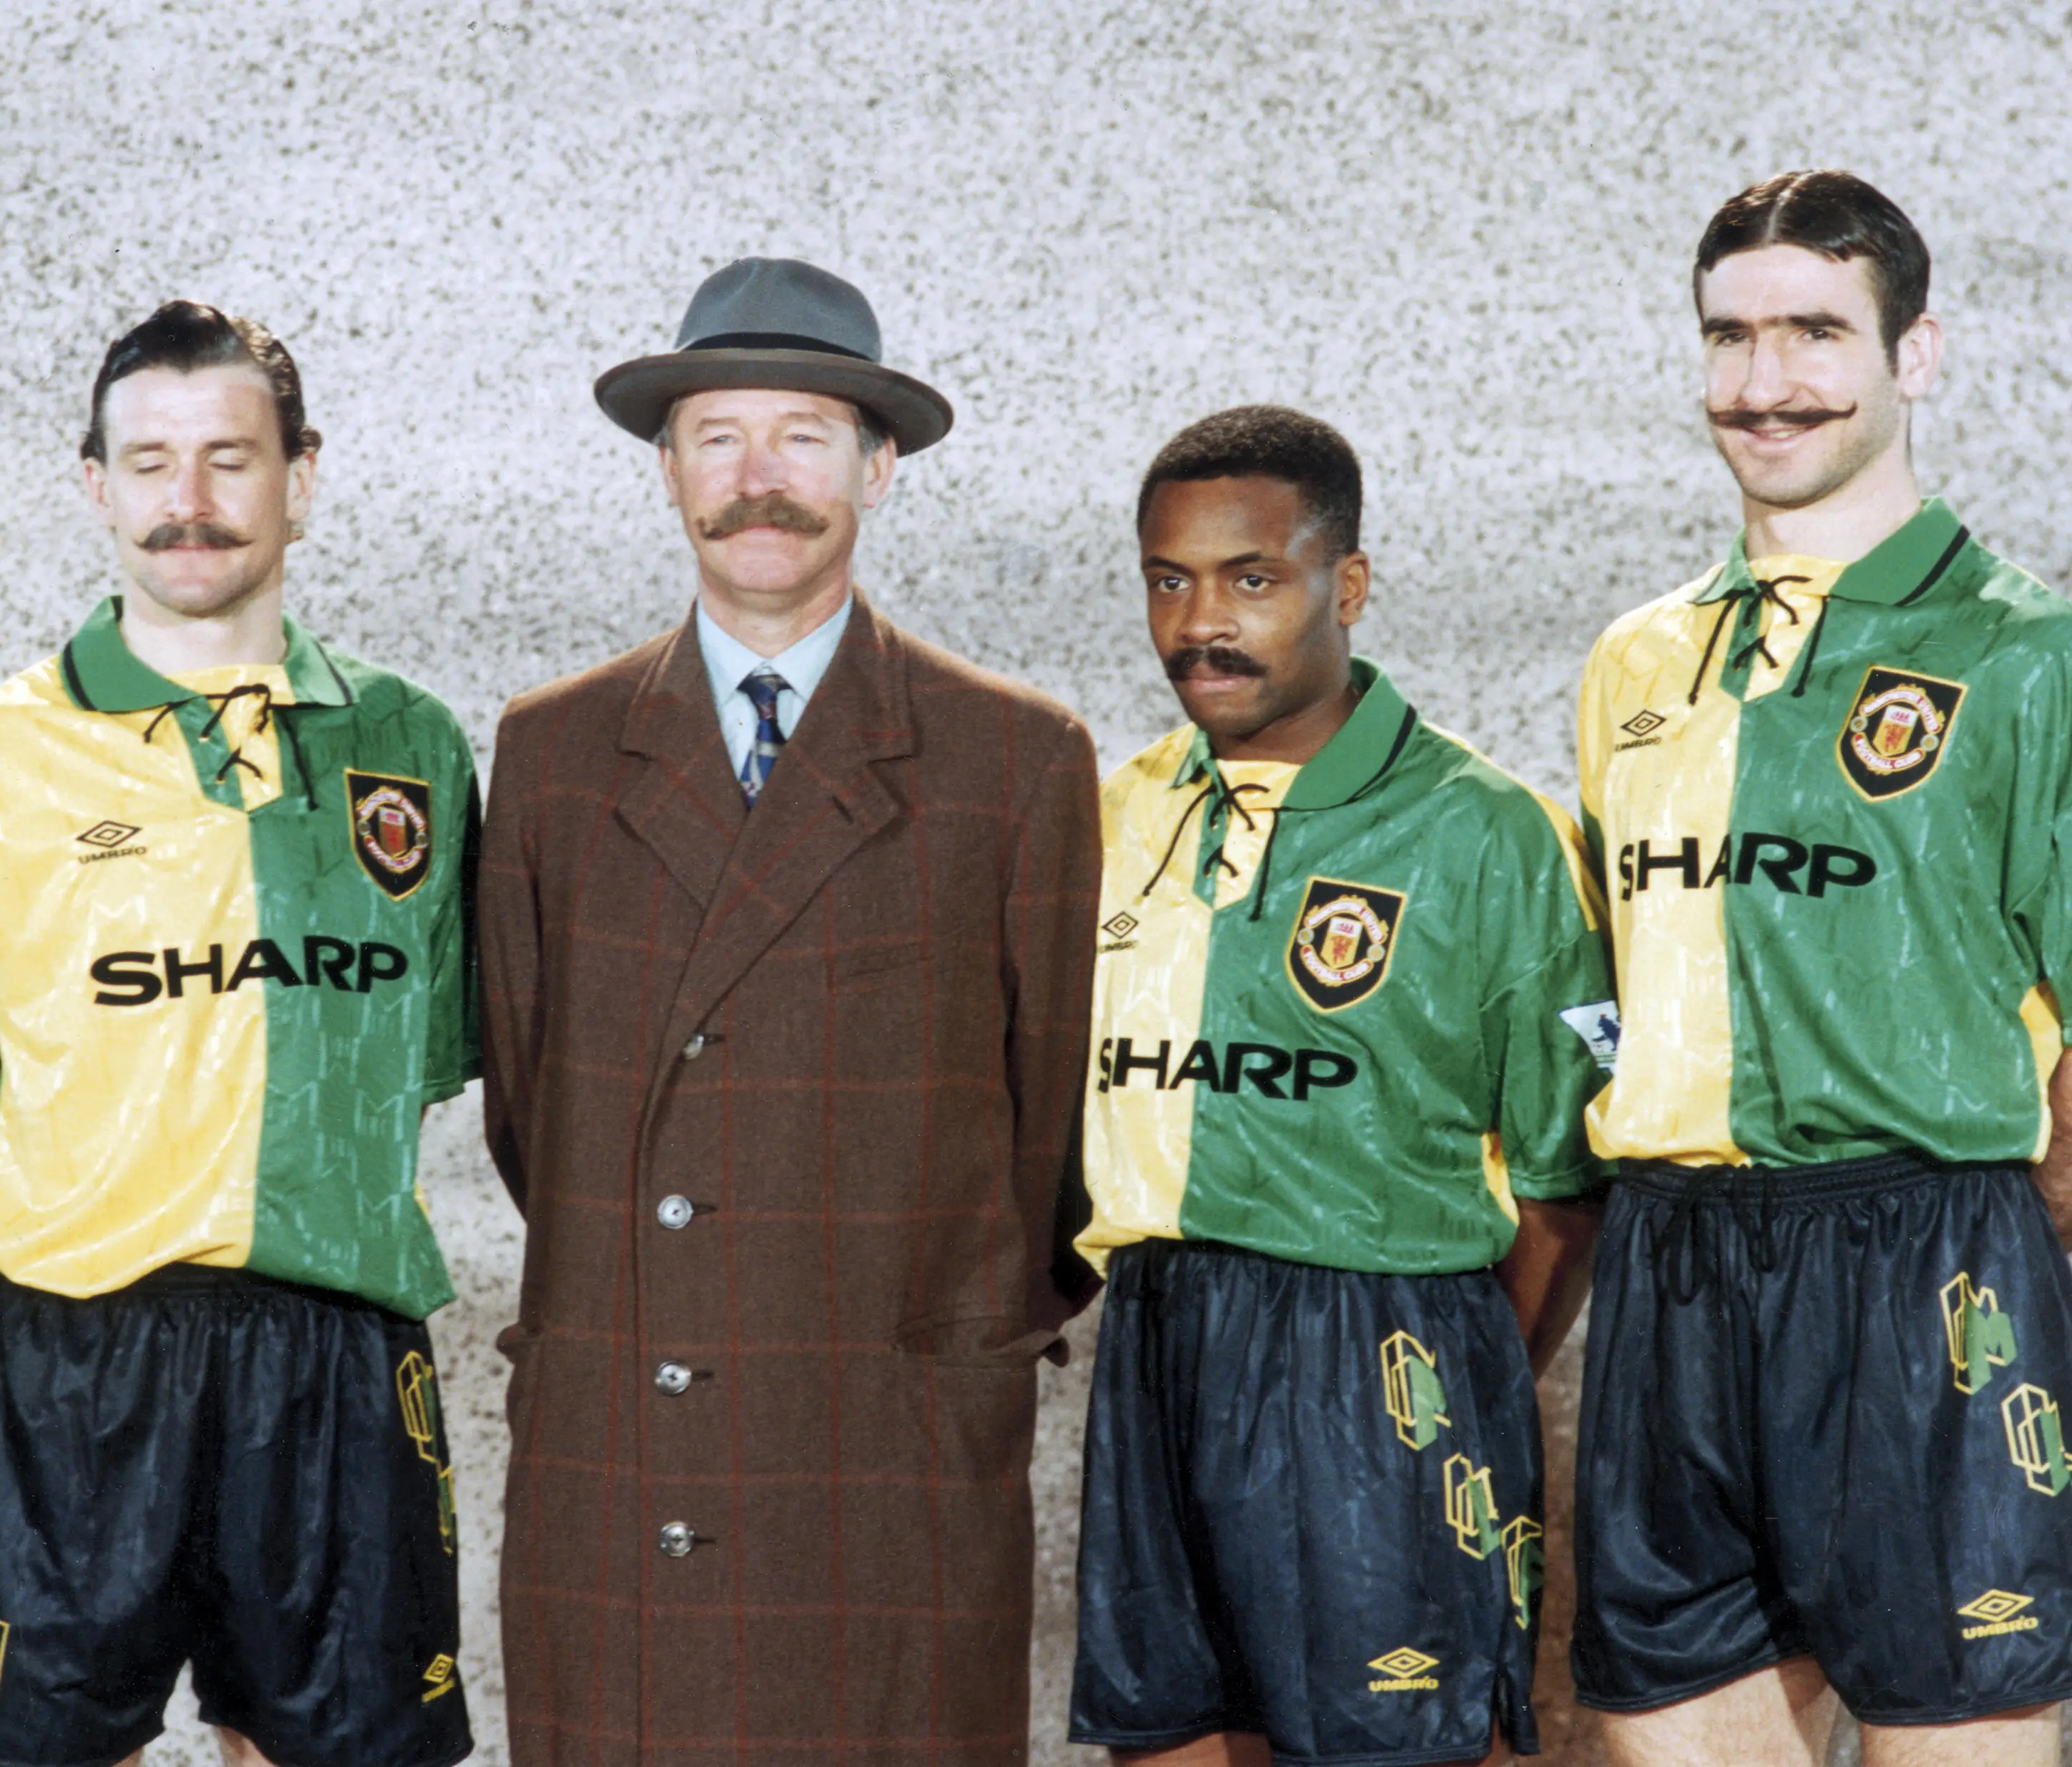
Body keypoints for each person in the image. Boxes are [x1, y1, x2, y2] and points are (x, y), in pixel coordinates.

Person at [477, 256, 1104, 1763]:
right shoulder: (552, 755)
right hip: (633, 1429)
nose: (760, 480)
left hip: (882, 1447)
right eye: (718, 437)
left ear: (880, 470)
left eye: (806, 437)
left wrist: (917, 1331)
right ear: (668, 470)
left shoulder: (1014, 758)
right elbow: (530, 1110)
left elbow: (1054, 1139)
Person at [0, 300, 477, 1767]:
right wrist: (61, 1275)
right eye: (149, 464)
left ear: (303, 479)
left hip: (337, 1361)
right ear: (95, 484)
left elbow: (433, 1065)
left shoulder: (412, 744)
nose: (188, 504)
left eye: (229, 459)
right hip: (74, 1359)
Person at [1573, 169, 2072, 1767]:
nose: (1765, 381)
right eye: (1730, 336)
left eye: (1814, 332)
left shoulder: (2023, 653)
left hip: (1930, 1256)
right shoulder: (1636, 660)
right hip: (1670, 1272)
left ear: (1914, 355)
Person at [1066, 405, 1612, 1767]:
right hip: (1156, 1341)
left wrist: (1444, 1385)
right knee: (1173, 1738)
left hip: (1384, 1352)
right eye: (1168, 579)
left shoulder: (1493, 833)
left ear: (1346, 585)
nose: (1203, 621)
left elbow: (1566, 1185)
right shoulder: (1113, 811)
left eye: (1252, 579)